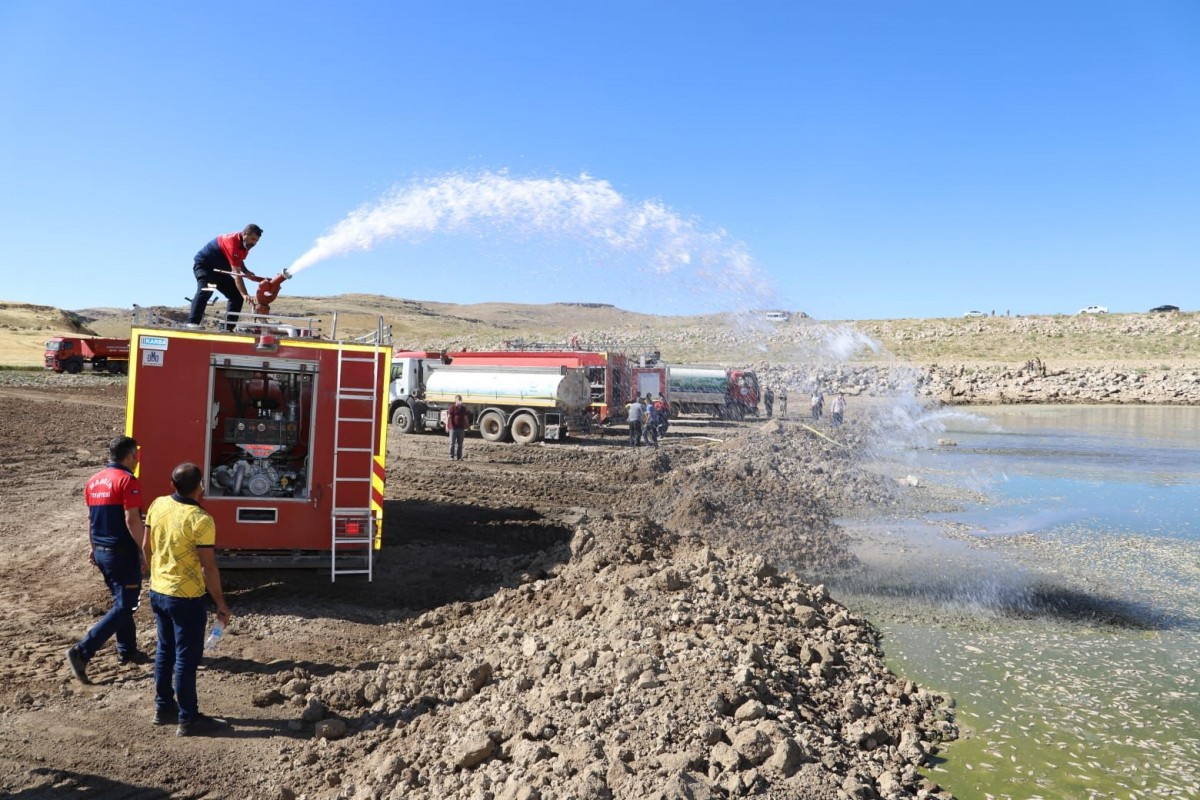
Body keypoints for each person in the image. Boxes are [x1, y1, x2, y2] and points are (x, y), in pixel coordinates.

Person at [143, 463, 231, 736]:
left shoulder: (157, 504)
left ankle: (163, 708)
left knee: (164, 651)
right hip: (186, 598)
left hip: (159, 592)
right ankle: (188, 719)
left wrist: (154, 576)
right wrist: (220, 603)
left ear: (172, 484)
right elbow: (208, 567)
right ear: (200, 486)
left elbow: (146, 547)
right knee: (186, 659)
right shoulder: (200, 520)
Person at [66, 436, 150, 684]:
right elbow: (132, 520)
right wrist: (146, 550)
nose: (136, 460)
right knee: (125, 604)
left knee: (122, 602)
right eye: (135, 455)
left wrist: (94, 548)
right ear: (130, 456)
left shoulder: (93, 481)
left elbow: (91, 519)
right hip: (121, 553)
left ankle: (127, 650)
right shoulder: (127, 481)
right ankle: (83, 651)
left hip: (102, 551)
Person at [187, 224, 263, 330]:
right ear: (245, 234)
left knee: (236, 296)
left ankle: (227, 328)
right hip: (205, 267)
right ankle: (193, 324)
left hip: (220, 271)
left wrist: (246, 271)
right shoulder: (232, 241)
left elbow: (238, 260)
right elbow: (236, 273)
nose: (254, 243)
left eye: (256, 241)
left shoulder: (245, 246)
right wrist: (245, 294)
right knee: (207, 289)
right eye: (253, 239)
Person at [446, 395, 469, 460]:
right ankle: (451, 456)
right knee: (452, 443)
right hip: (453, 428)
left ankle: (459, 457)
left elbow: (465, 418)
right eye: (458, 399)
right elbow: (449, 417)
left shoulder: (463, 408)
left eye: (460, 399)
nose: (459, 400)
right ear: (455, 400)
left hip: (461, 428)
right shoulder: (452, 408)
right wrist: (447, 426)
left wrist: (467, 426)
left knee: (460, 444)